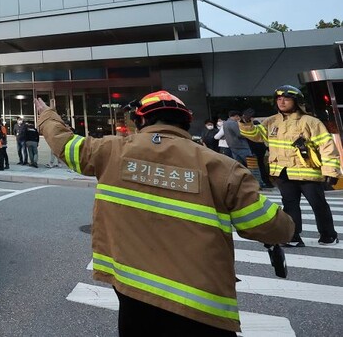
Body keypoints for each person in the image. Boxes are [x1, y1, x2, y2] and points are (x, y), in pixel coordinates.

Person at [36, 91, 293, 336]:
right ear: (185, 123)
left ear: (143, 120)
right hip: (200, 304)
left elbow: (67, 145)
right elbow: (272, 227)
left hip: (132, 289)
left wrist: (47, 116)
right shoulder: (222, 167)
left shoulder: (112, 150)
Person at [240, 84, 341, 246]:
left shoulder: (310, 122)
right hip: (283, 172)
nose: (282, 102)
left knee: (318, 204)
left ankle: (328, 234)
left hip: (308, 172)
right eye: (279, 99)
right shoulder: (271, 121)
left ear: (297, 101)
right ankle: (293, 236)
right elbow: (257, 135)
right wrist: (245, 123)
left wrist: (331, 171)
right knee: (290, 205)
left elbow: (327, 147)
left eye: (286, 99)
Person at [241, 108, 273, 189]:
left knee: (255, 167)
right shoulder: (258, 124)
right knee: (260, 165)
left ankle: (260, 183)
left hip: (253, 149)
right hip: (260, 148)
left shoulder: (251, 126)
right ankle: (266, 182)